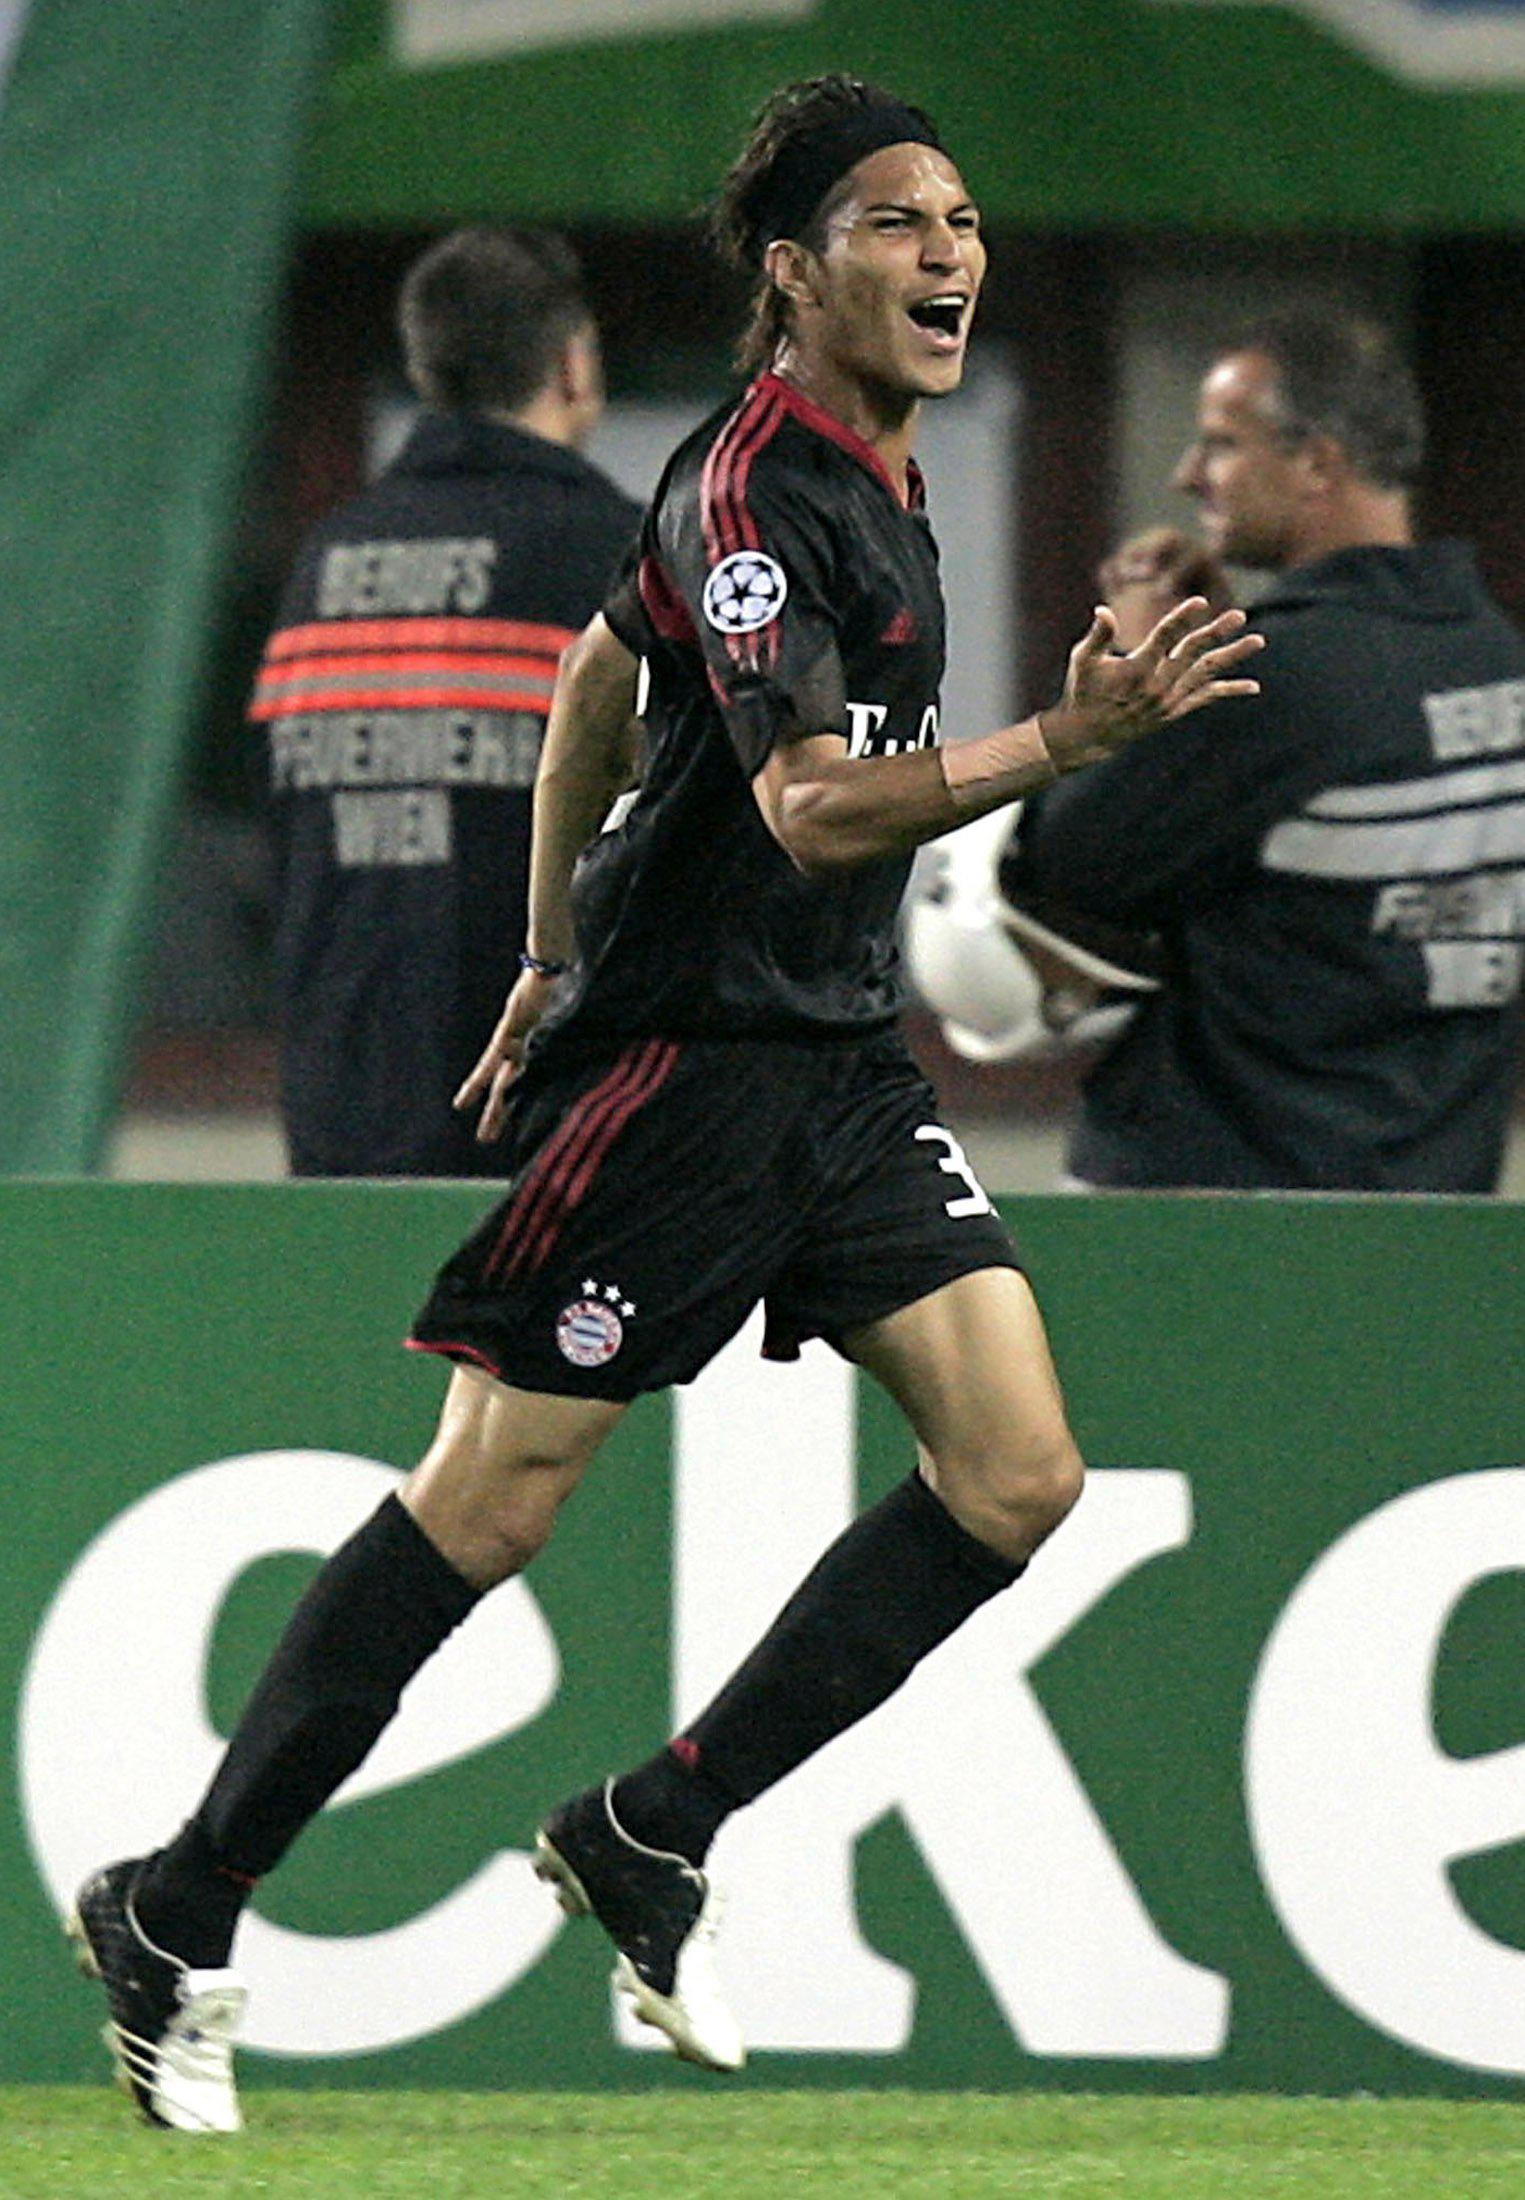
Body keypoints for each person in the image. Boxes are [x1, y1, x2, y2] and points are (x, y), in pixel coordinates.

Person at [68, 74, 1259, 2131]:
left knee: (1017, 1473)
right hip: (689, 1069)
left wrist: (537, 942)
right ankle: (178, 1902)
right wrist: (1070, 733)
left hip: (836, 1062)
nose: (949, 251)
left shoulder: (871, 477)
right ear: (794, 273)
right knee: (494, 1499)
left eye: (962, 219)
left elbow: (588, 689)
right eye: (898, 222)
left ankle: (650, 1823)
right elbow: (804, 804)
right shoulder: (751, 493)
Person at [998, 310, 1525, 1191]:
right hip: (1433, 1219)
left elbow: (1056, 862)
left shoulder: (1264, 685)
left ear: (1318, 462)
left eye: (1219, 444)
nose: (1187, 476)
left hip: (1213, 1218)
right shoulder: (1495, 659)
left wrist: (1131, 680)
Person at [255, 226, 640, 1176]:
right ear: (572, 365)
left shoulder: (325, 560)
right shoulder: (621, 559)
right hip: (552, 1126)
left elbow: (285, 844)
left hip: (338, 1120)